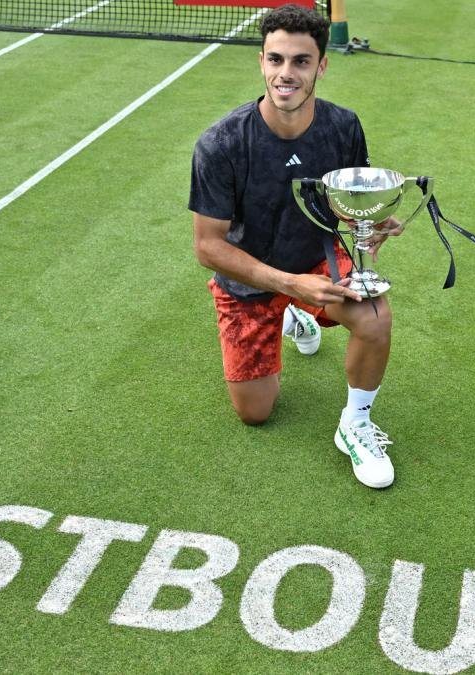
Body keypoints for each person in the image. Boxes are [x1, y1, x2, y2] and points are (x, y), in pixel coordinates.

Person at [189, 3, 403, 489]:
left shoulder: (343, 126)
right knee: (255, 414)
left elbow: (340, 203)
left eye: (301, 61)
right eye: (276, 59)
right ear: (262, 61)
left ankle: (356, 425)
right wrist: (290, 286)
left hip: (319, 260)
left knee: (376, 316)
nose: (286, 73)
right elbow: (208, 247)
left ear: (321, 66)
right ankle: (291, 311)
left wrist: (368, 219)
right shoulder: (220, 143)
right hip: (250, 282)